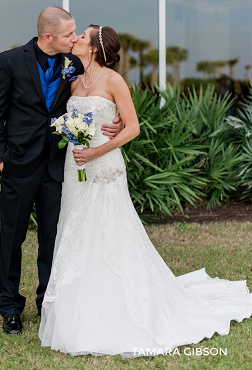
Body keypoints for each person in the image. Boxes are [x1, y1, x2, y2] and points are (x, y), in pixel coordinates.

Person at [39, 25, 252, 356]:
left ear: (94, 48)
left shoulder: (113, 80)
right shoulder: (73, 80)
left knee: (109, 232)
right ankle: (77, 309)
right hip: (74, 166)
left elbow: (133, 126)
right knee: (76, 230)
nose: (77, 38)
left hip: (103, 164)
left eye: (82, 35)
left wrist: (97, 149)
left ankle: (118, 308)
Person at [0, 7, 123, 335]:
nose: (74, 38)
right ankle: (10, 308)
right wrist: (1, 158)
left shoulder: (73, 62)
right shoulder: (10, 61)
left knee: (53, 238)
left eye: (76, 33)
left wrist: (112, 120)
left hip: (57, 167)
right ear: (49, 36)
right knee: (12, 238)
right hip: (18, 164)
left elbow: (99, 84)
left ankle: (48, 301)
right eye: (68, 34)